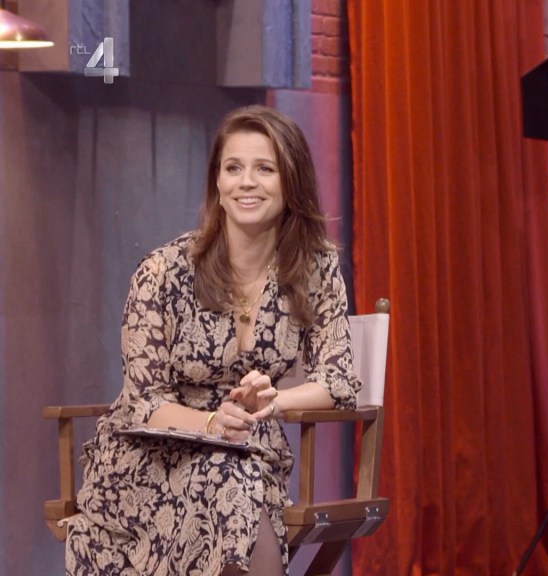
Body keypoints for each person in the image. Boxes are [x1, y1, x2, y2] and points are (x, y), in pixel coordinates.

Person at [64, 105, 361, 576]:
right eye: (233, 168)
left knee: (236, 478)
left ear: (291, 182)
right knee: (232, 482)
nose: (247, 182)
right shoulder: (163, 272)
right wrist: (211, 424)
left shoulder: (315, 268)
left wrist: (274, 402)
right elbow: (143, 402)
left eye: (265, 169)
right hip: (151, 457)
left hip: (249, 451)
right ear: (217, 185)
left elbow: (339, 379)